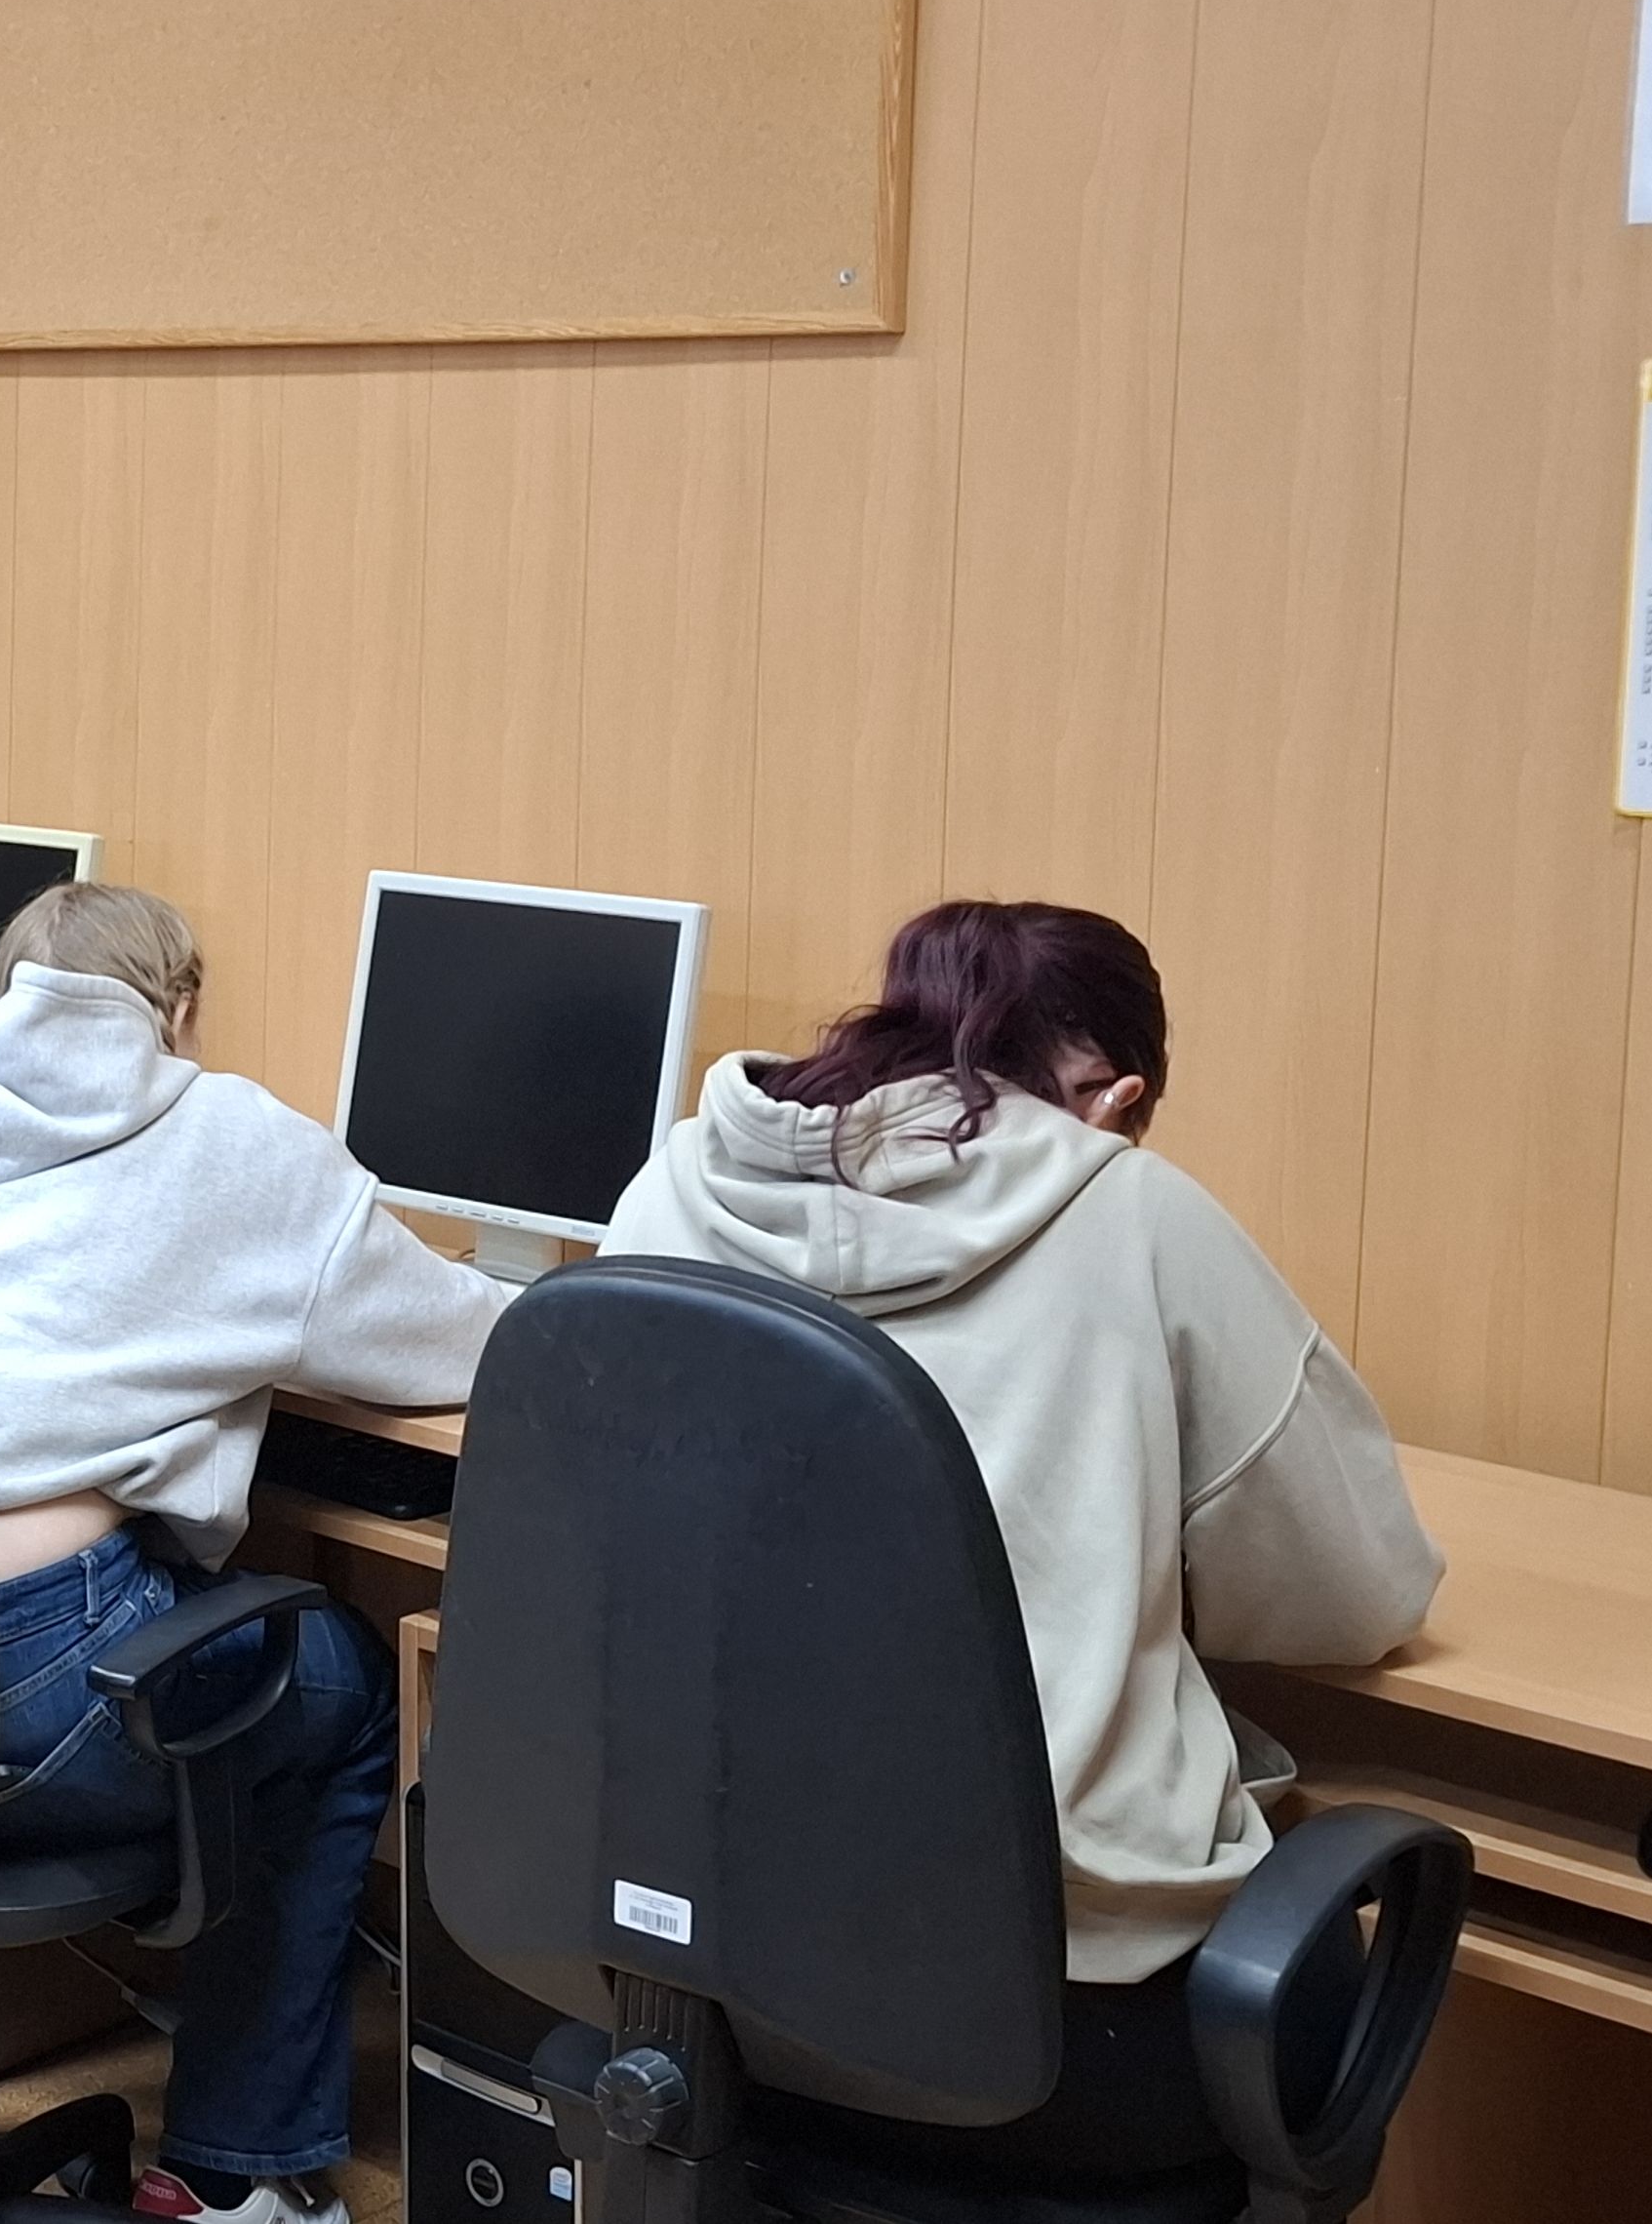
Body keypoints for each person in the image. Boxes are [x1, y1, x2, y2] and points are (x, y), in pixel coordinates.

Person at [604, 898, 1441, 2176]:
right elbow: (1354, 1593)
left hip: (694, 1971)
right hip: (1048, 2026)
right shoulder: (1135, 1209)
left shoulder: (675, 1184)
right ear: (1114, 1096)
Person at [0, 882, 512, 2224]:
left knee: (246, 1644)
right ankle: (232, 2169)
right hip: (27, 1691)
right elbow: (461, 1343)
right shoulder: (231, 1137)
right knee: (336, 1685)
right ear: (181, 1008)